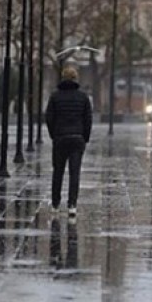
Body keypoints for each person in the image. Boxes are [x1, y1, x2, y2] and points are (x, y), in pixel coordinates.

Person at [45, 66, 92, 216]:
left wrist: (54, 134)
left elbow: (49, 118)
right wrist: (85, 137)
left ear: (63, 78)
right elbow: (88, 119)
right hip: (77, 138)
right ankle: (72, 204)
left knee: (57, 172)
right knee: (74, 173)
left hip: (60, 138)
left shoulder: (55, 96)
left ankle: (55, 204)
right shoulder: (83, 97)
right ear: (75, 78)